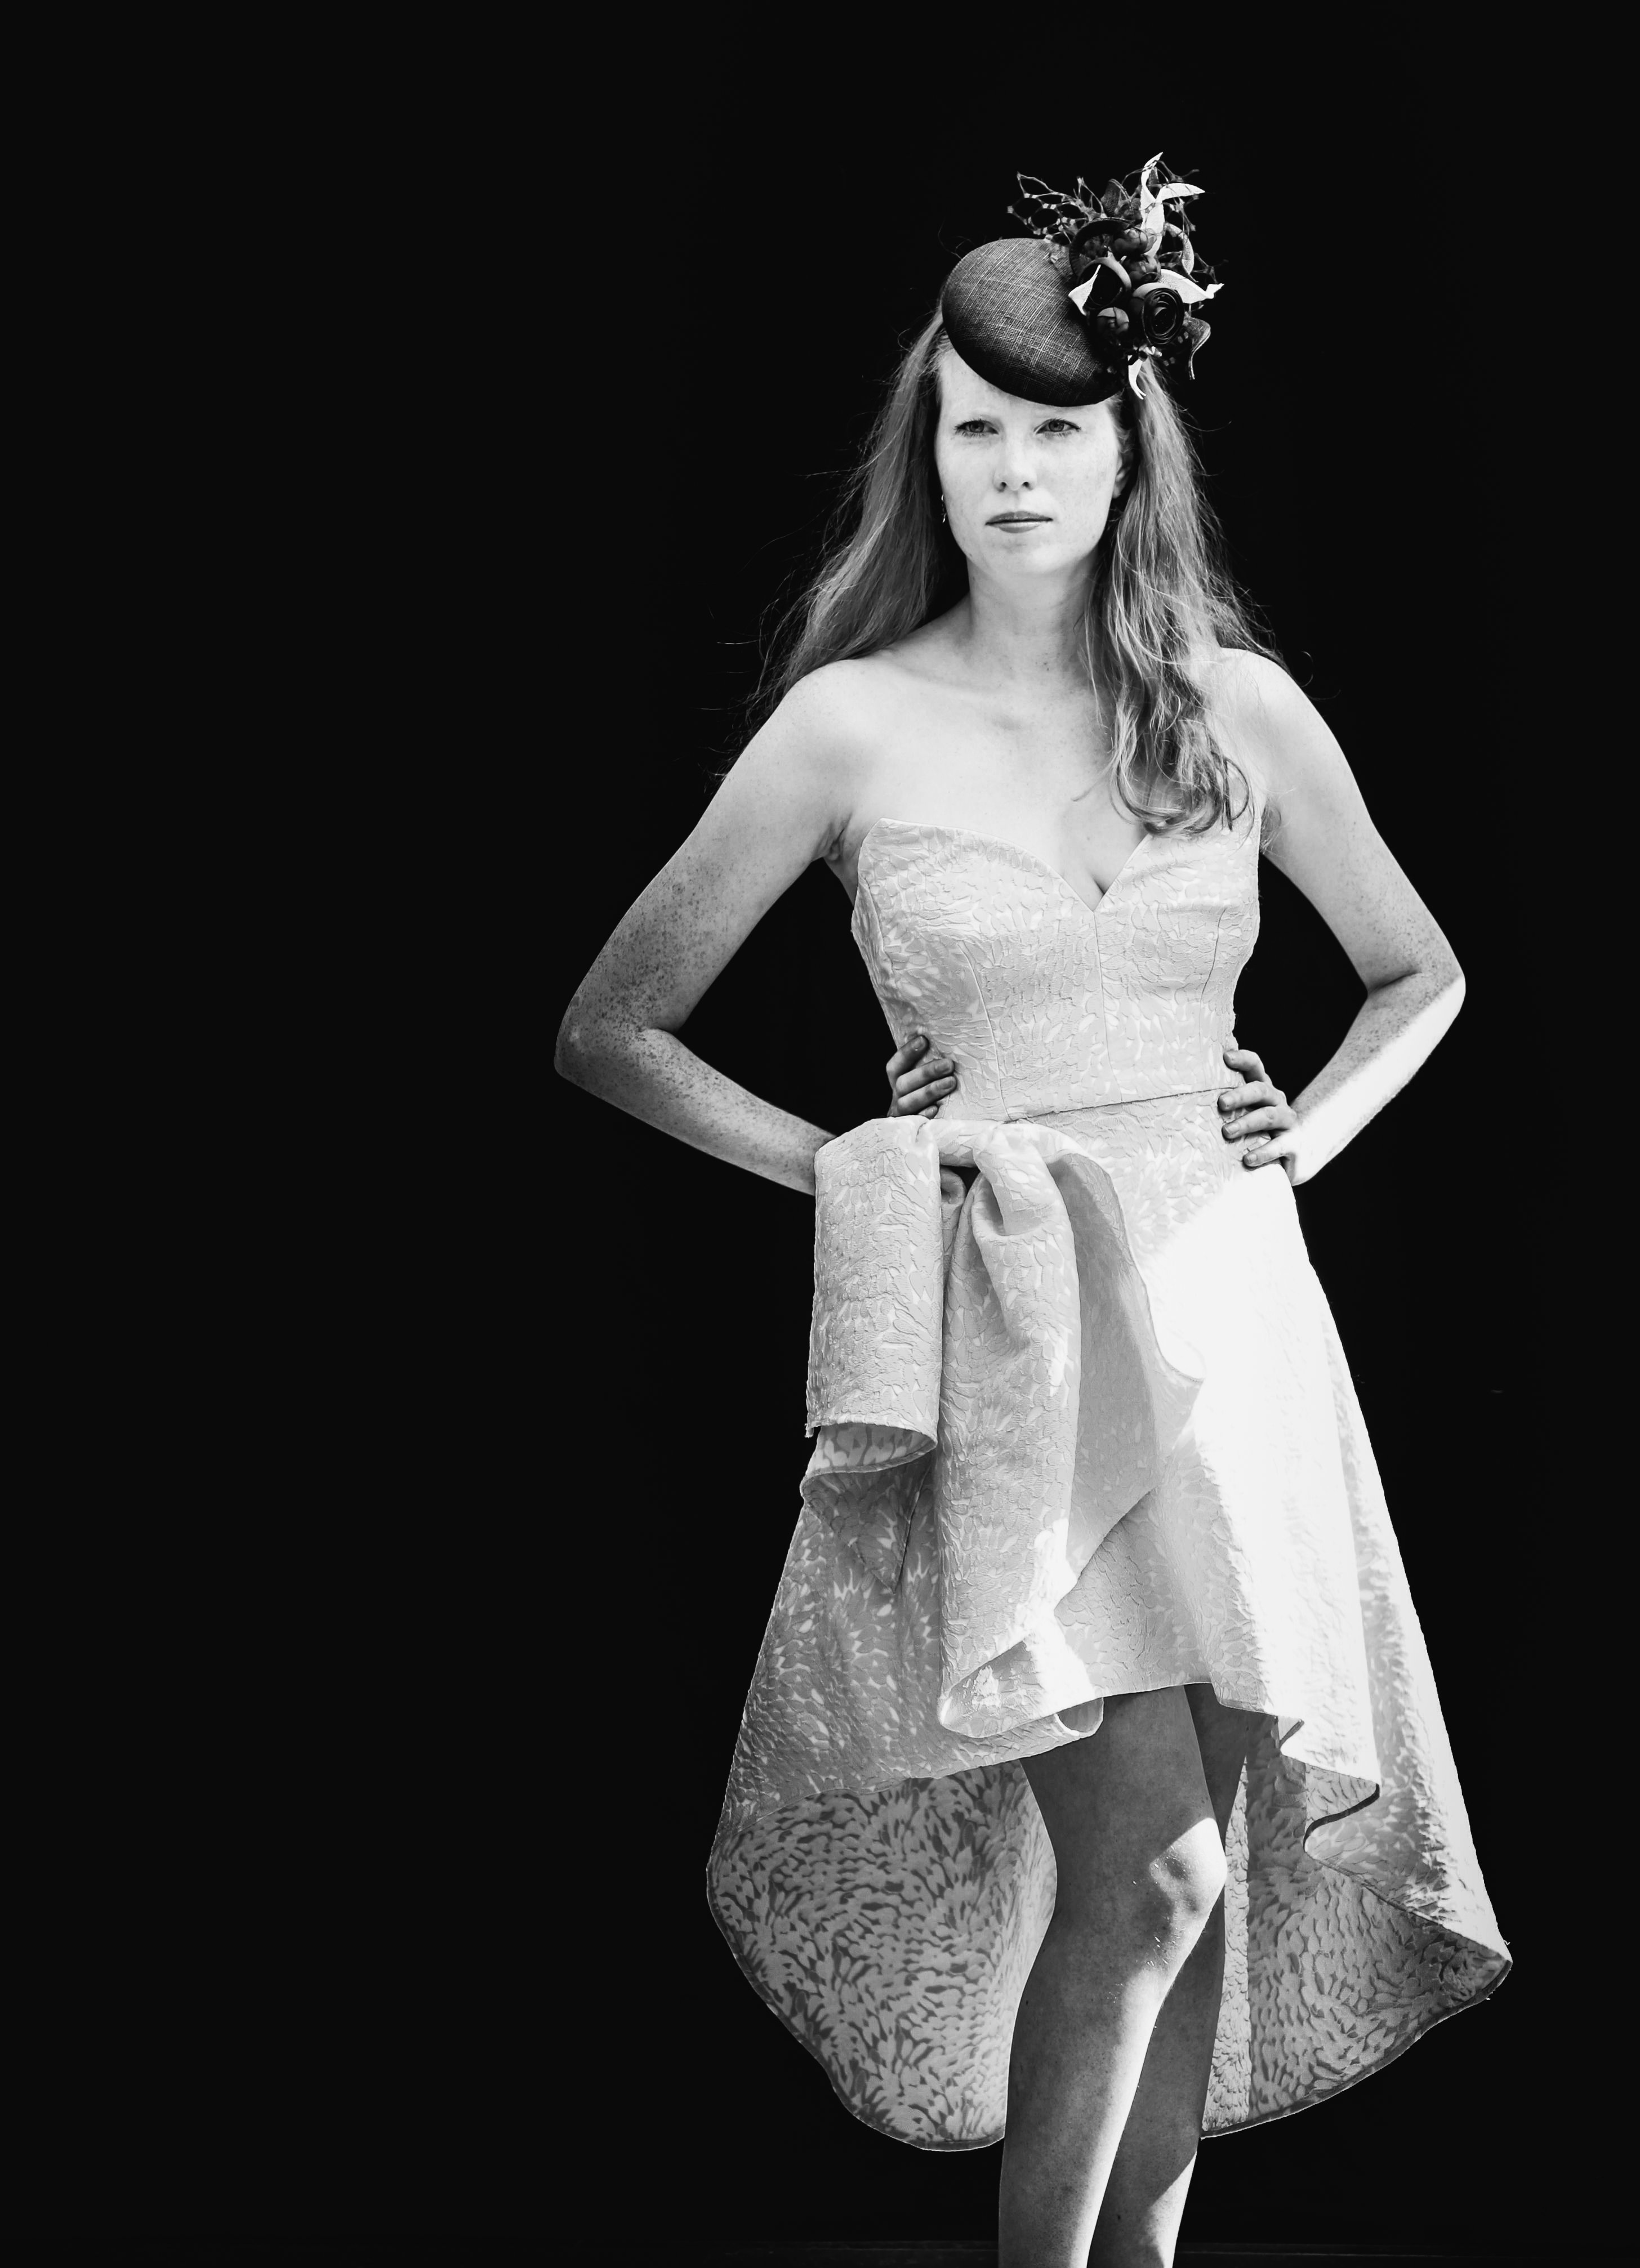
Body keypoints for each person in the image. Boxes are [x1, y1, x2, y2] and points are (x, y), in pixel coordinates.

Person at [555, 160, 1508, 2268]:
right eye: (975, 429)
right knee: (1153, 1867)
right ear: (929, 448)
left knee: (1200, 1875)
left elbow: (1420, 973)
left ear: (1126, 452)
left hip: (1229, 1318)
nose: (1012, 472)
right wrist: (857, 1161)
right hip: (1014, 1334)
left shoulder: (1235, 705)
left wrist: (1302, 1132)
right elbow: (610, 1028)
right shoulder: (850, 720)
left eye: (1058, 433)